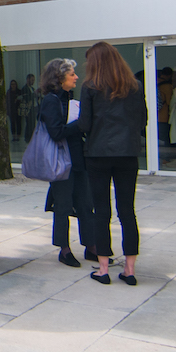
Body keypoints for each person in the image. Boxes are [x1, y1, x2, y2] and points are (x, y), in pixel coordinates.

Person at [78, 41, 148, 286]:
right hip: (128, 154)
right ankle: (129, 270)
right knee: (127, 211)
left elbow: (84, 124)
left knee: (101, 211)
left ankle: (104, 269)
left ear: (96, 63)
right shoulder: (135, 86)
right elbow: (143, 119)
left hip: (98, 154)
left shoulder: (89, 87)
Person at [38, 58, 96, 268]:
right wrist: (79, 124)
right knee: (62, 206)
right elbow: (56, 132)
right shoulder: (51, 100)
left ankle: (91, 246)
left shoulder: (71, 98)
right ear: (59, 77)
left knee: (85, 204)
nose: (76, 77)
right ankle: (64, 250)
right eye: (72, 74)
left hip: (77, 159)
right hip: (61, 162)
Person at [21, 73, 39, 141]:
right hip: (28, 109)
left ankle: (32, 137)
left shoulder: (32, 88)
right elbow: (26, 98)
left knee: (33, 124)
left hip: (33, 108)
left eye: (33, 80)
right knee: (29, 124)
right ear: (28, 79)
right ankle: (28, 138)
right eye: (32, 80)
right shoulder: (25, 89)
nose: (33, 82)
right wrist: (34, 94)